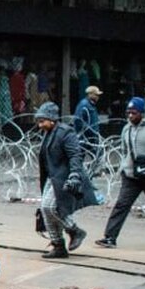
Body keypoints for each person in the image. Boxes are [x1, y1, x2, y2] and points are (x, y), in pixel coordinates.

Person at [96, 96, 145, 249]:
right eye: (128, 113)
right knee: (121, 205)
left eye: (134, 113)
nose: (130, 116)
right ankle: (110, 237)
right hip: (131, 176)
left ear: (142, 113)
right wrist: (125, 168)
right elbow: (125, 150)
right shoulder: (127, 128)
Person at [34, 101, 95, 259]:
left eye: (42, 121)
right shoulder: (47, 133)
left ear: (52, 119)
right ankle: (58, 246)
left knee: (50, 207)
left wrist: (75, 175)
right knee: (45, 210)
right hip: (51, 177)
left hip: (64, 177)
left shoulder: (65, 132)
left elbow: (75, 155)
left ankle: (75, 230)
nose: (39, 125)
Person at [73, 85, 103, 175]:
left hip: (92, 137)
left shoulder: (91, 105)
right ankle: (81, 173)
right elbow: (78, 120)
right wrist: (89, 130)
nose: (98, 97)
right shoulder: (84, 104)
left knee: (98, 154)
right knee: (80, 156)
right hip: (85, 137)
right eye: (96, 95)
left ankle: (89, 173)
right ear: (90, 95)